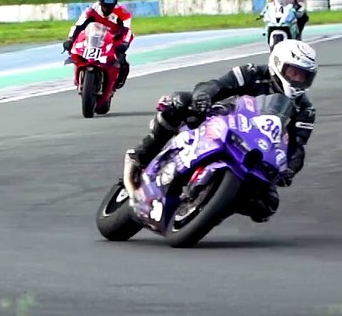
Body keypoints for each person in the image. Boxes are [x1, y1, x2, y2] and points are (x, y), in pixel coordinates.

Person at [122, 39, 319, 223]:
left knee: (267, 205)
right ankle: (141, 156)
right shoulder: (251, 73)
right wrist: (203, 96)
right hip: (222, 119)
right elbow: (216, 85)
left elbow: (297, 146)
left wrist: (290, 170)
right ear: (277, 64)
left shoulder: (305, 110)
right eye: (294, 72)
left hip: (256, 150)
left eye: (304, 76)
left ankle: (216, 203)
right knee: (178, 103)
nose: (298, 79)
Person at [63, 0, 134, 90]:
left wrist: (124, 43)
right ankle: (78, 77)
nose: (108, 5)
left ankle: (115, 82)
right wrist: (70, 39)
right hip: (93, 37)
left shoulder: (123, 12)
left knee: (122, 61)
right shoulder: (91, 10)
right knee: (75, 51)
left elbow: (127, 30)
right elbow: (78, 25)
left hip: (114, 39)